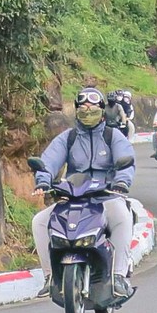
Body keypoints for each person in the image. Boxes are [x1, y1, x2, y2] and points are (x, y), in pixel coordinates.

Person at [32, 88, 136, 298]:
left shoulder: (112, 135)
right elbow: (48, 162)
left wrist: (121, 183)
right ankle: (50, 276)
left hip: (106, 196)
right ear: (77, 110)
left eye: (93, 107)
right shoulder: (68, 138)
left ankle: (118, 276)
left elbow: (126, 161)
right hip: (72, 198)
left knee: (123, 218)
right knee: (40, 221)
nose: (88, 111)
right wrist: (43, 181)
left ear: (102, 110)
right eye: (83, 108)